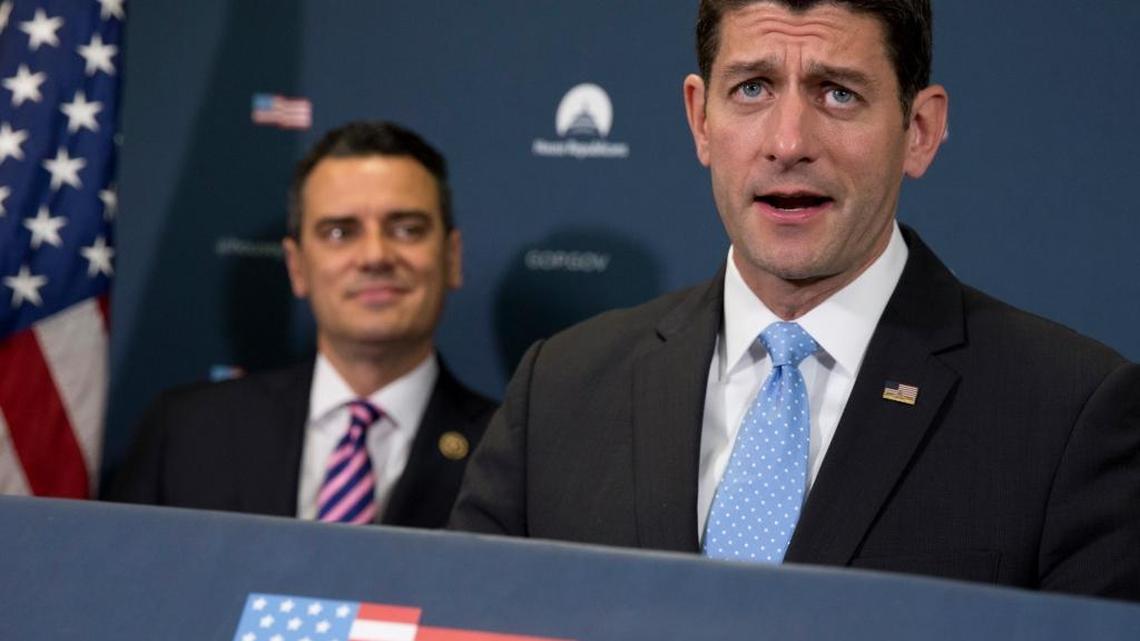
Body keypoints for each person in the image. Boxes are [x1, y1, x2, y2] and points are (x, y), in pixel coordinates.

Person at [450, 0, 1140, 601]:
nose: (788, 143)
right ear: (699, 118)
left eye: (837, 93)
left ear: (920, 130)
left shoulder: (1070, 413)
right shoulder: (559, 391)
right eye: (752, 88)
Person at [107, 121, 496, 528]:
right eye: (339, 232)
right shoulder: (188, 433)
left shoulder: (509, 452)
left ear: (451, 257)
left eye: (406, 229)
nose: (375, 256)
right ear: (297, 267)